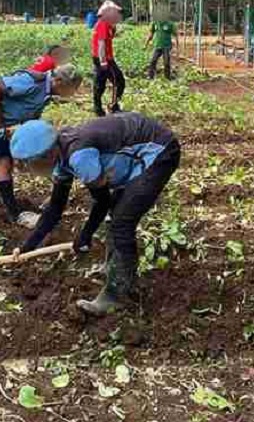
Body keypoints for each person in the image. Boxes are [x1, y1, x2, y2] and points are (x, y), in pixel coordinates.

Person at [9, 112, 181, 315]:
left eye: (30, 164)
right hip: (137, 151)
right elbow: (55, 208)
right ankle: (115, 271)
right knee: (116, 217)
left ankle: (116, 296)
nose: (30, 170)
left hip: (158, 152)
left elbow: (102, 201)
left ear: (45, 155)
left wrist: (85, 235)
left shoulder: (79, 157)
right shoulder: (60, 152)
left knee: (122, 223)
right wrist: (27, 247)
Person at [0, 65, 82, 228]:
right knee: (2, 163)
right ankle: (14, 214)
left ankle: (41, 200)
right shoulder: (31, 82)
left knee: (17, 159)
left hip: (9, 125)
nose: (72, 93)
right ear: (59, 81)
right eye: (71, 88)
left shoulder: (47, 92)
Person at [91, 0, 126, 116]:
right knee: (119, 81)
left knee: (100, 83)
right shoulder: (103, 24)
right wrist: (103, 61)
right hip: (104, 59)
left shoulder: (104, 24)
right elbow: (101, 44)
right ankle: (113, 106)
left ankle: (98, 109)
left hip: (101, 58)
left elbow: (106, 40)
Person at [145, 15, 179, 79]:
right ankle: (150, 75)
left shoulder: (170, 24)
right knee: (153, 61)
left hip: (166, 46)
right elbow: (151, 34)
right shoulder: (155, 23)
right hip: (157, 46)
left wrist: (177, 47)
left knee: (166, 62)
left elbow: (175, 35)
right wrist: (146, 44)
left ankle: (167, 77)